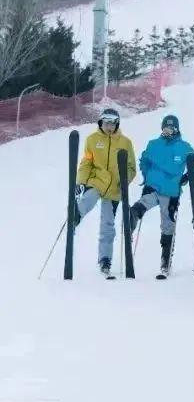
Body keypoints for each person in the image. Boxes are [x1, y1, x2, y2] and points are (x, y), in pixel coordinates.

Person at [131, 114, 194, 278]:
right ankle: (132, 219)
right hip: (154, 187)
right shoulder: (153, 144)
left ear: (176, 129)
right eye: (165, 127)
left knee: (168, 226)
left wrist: (187, 176)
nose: (168, 130)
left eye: (171, 128)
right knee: (141, 205)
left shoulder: (184, 146)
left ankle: (165, 262)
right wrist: (147, 176)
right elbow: (144, 160)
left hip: (171, 192)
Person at [74, 107, 137, 278]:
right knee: (89, 198)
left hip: (115, 188)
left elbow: (131, 167)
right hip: (97, 180)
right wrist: (80, 182)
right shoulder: (92, 140)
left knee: (107, 225)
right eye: (106, 123)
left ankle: (105, 259)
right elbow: (86, 163)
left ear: (117, 124)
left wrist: (124, 182)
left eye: (112, 123)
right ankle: (76, 215)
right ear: (101, 122)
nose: (109, 126)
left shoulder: (125, 142)